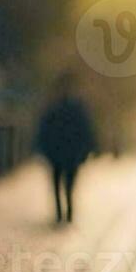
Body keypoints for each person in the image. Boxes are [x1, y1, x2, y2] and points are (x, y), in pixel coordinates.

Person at [35, 71, 96, 224]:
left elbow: (43, 129)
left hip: (58, 151)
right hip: (68, 152)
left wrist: (42, 148)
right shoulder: (77, 108)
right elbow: (86, 130)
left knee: (59, 182)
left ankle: (61, 212)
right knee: (68, 182)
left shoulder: (54, 108)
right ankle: (66, 210)